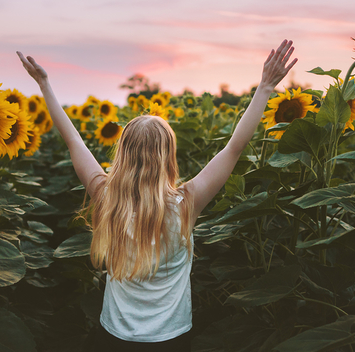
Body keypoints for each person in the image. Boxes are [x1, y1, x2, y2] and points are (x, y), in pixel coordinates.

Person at [17, 40, 297, 351]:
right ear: (167, 157)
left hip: (114, 337)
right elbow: (233, 148)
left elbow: (73, 139)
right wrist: (265, 87)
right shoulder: (186, 203)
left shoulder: (107, 197)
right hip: (170, 339)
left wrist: (44, 84)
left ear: (122, 154)